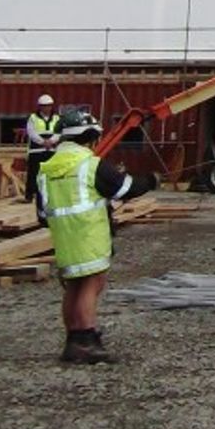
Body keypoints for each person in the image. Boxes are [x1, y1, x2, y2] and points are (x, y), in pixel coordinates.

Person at [35, 111, 158, 364]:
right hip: (88, 234)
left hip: (64, 236)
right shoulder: (90, 165)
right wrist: (151, 180)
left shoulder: (46, 170)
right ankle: (87, 340)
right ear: (89, 137)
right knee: (92, 284)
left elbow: (41, 213)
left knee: (74, 286)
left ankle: (72, 340)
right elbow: (126, 187)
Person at [23, 94, 62, 203]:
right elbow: (31, 132)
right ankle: (29, 195)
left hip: (52, 150)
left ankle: (53, 196)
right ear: (40, 106)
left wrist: (51, 141)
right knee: (33, 173)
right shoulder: (32, 118)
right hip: (36, 151)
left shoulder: (57, 118)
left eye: (48, 106)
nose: (46, 108)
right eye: (44, 106)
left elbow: (59, 132)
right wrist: (43, 142)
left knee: (52, 173)